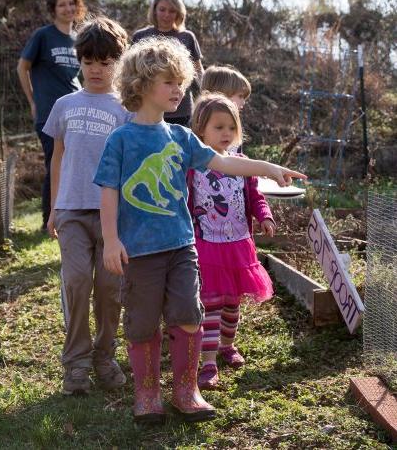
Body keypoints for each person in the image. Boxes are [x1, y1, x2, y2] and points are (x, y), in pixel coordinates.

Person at [93, 37, 305, 423]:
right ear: (141, 85)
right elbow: (107, 193)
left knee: (189, 314)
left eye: (180, 81)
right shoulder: (120, 139)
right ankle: (147, 395)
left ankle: (186, 390)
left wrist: (268, 168)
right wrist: (111, 240)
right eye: (169, 82)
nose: (178, 90)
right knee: (141, 323)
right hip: (139, 251)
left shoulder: (181, 137)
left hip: (182, 247)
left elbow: (224, 163)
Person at [42, 17, 130, 395]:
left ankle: (104, 355)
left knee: (110, 289)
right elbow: (57, 158)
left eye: (106, 62)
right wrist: (53, 208)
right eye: (89, 61)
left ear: (118, 63)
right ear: (79, 61)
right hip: (72, 212)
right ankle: (75, 363)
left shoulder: (126, 109)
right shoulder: (64, 105)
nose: (96, 69)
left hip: (113, 218)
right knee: (77, 282)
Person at [188, 93, 275, 390]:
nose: (226, 134)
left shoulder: (242, 164)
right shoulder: (193, 166)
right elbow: (185, 202)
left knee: (232, 303)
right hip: (207, 246)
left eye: (230, 127)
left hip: (238, 245)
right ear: (201, 130)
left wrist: (265, 216)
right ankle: (209, 361)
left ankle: (227, 345)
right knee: (211, 302)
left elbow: (255, 196)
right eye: (218, 127)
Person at [17, 0, 86, 231]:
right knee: (55, 163)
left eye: (71, 3)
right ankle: (50, 220)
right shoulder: (43, 36)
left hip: (77, 111)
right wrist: (33, 101)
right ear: (53, 10)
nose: (67, 8)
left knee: (75, 163)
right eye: (61, 5)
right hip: (49, 112)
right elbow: (22, 67)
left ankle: (73, 214)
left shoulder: (79, 39)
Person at [131, 0, 203, 127]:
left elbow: (198, 72)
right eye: (162, 10)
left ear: (179, 12)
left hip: (180, 111)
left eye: (172, 11)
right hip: (147, 109)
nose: (166, 15)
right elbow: (131, 73)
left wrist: (207, 97)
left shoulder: (187, 37)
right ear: (154, 10)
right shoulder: (141, 36)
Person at [201, 65, 252, 153]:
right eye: (240, 96)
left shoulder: (234, 121)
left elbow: (237, 155)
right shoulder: (205, 122)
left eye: (231, 128)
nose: (243, 102)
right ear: (223, 94)